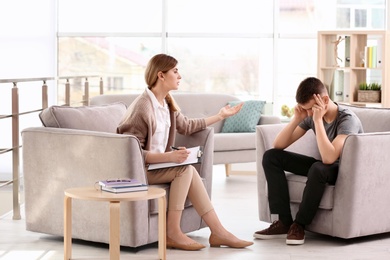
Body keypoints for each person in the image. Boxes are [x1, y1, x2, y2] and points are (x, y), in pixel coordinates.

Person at [117, 53, 253, 251]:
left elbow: (187, 126)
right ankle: (175, 231)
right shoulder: (142, 107)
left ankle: (218, 232)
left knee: (187, 169)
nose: (179, 76)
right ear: (161, 75)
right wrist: (169, 157)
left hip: (156, 166)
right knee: (185, 170)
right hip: (139, 170)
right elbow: (131, 152)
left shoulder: (167, 104)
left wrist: (220, 116)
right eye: (175, 71)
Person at [253, 77, 363, 245]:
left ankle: (299, 224)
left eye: (311, 109)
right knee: (271, 157)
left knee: (318, 168)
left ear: (324, 100)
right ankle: (284, 222)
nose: (310, 114)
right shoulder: (312, 114)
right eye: (307, 110)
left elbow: (329, 158)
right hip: (323, 166)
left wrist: (317, 121)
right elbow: (278, 145)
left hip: (343, 170)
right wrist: (297, 118)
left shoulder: (347, 120)